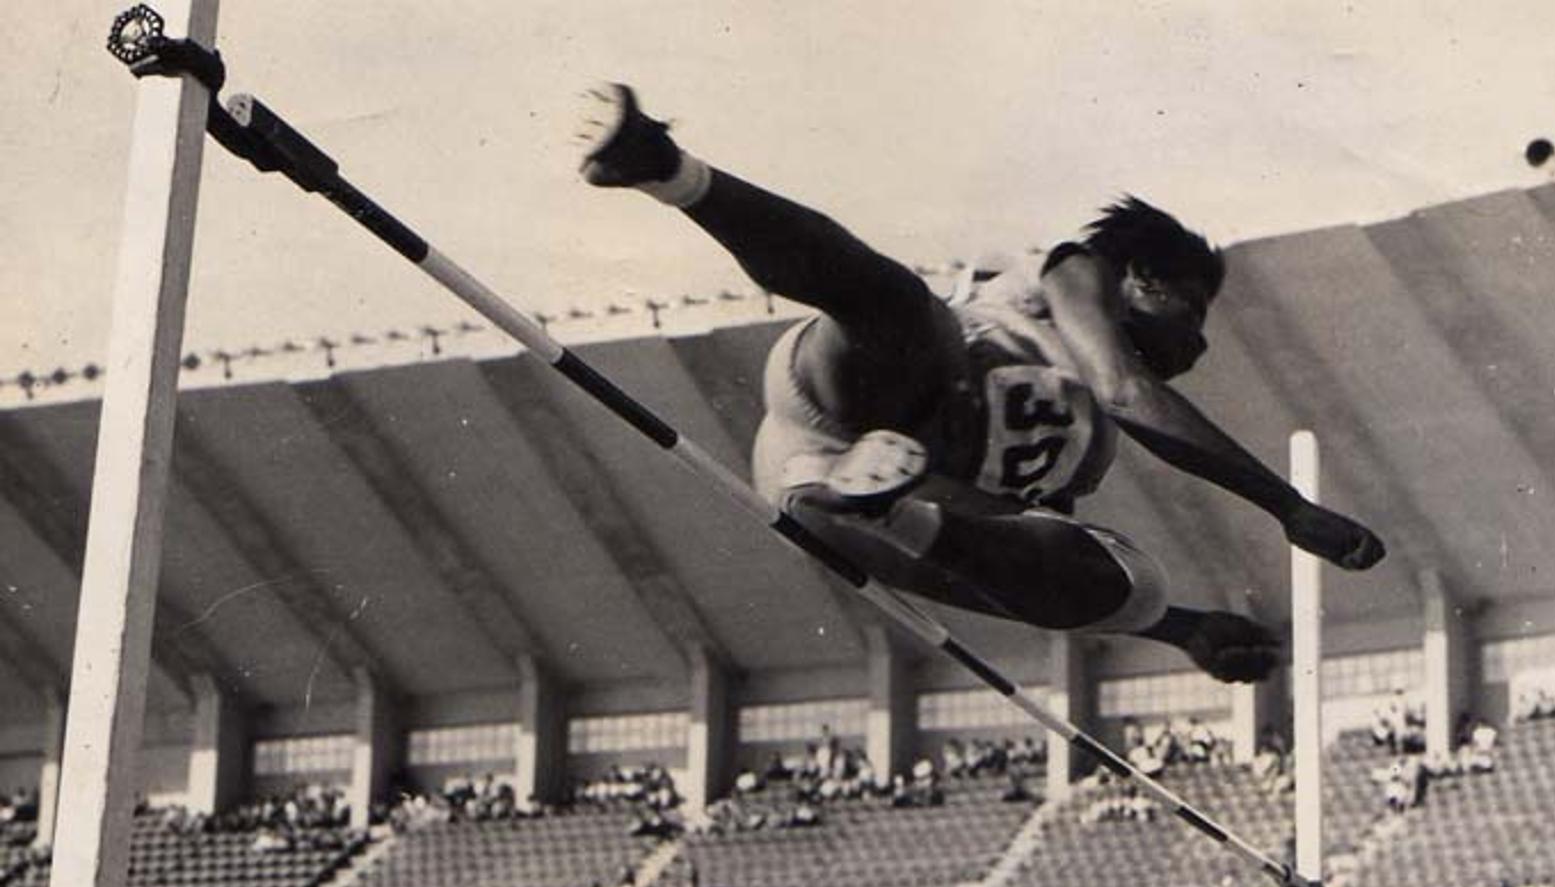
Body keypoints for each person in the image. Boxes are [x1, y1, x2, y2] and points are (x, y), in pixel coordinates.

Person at [576, 86, 1384, 686]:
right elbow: (1124, 389)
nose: (1201, 345)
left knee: (1133, 584)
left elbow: (1036, 566)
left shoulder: (1086, 444)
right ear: (1140, 276)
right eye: (1191, 311)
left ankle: (885, 501)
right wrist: (1288, 506)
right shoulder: (1077, 276)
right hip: (855, 398)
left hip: (877, 515)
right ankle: (670, 171)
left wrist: (1180, 629)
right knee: (904, 307)